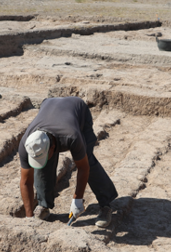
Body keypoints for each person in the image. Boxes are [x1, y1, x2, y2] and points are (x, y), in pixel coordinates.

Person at [18, 96, 118, 228]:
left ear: (53, 147)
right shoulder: (27, 144)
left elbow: (83, 168)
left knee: (87, 160)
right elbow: (25, 181)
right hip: (50, 105)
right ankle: (44, 206)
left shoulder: (71, 136)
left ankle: (105, 205)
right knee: (42, 166)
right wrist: (29, 217)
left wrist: (77, 200)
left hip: (78, 110)